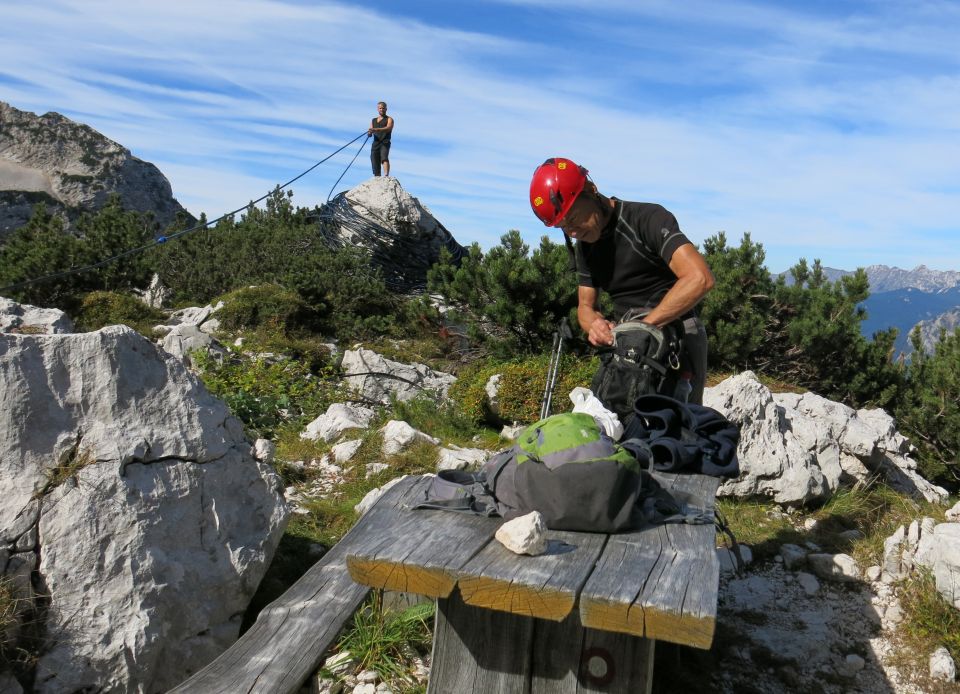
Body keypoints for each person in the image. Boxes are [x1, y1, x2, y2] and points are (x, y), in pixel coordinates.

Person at [529, 157, 715, 404]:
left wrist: (645, 328)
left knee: (681, 427)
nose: (572, 232)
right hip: (628, 340)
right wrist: (593, 325)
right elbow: (585, 307)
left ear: (591, 190)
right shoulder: (585, 245)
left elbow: (699, 278)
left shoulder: (646, 218)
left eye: (572, 218)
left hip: (678, 331)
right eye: (562, 227)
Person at [368, 101, 394, 176]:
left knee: (384, 157)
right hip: (376, 142)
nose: (381, 110)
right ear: (377, 109)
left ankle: (386, 175)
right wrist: (369, 133)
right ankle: (377, 176)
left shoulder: (389, 119)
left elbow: (389, 128)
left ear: (386, 109)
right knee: (374, 159)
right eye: (380, 108)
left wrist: (376, 130)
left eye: (383, 108)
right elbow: (370, 131)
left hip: (385, 142)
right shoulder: (373, 120)